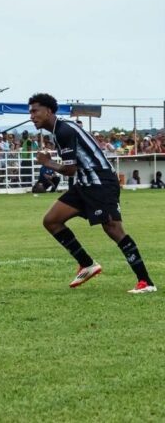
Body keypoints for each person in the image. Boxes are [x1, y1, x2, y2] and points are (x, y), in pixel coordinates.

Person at [28, 93, 156, 294]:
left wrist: (47, 163)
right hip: (86, 183)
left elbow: (70, 169)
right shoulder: (59, 129)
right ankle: (87, 264)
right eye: (30, 112)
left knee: (113, 228)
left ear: (48, 111)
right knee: (52, 220)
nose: (31, 116)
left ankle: (146, 282)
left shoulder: (63, 131)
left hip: (100, 181)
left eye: (35, 111)